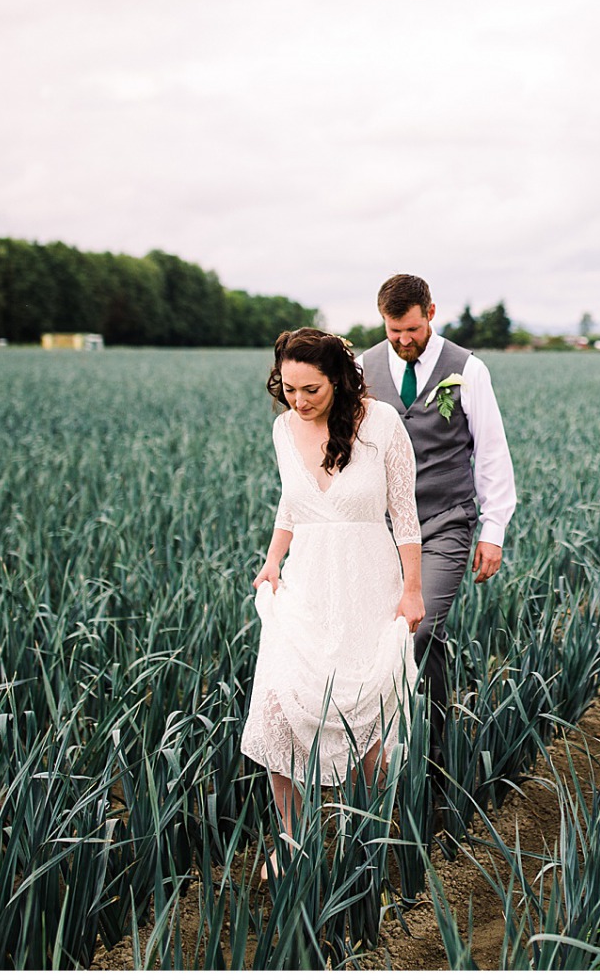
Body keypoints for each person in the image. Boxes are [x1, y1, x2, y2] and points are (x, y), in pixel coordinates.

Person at [241, 327, 426, 875]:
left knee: (366, 708)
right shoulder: (282, 428)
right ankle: (293, 839)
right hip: (307, 583)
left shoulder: (382, 424)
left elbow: (406, 515)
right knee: (280, 704)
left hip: (369, 580)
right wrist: (273, 560)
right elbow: (289, 504)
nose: (298, 401)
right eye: (288, 388)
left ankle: (362, 841)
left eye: (311, 390)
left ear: (339, 381)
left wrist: (411, 590)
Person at [356, 274, 517, 802]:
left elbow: (490, 452)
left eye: (411, 328)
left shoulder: (467, 369)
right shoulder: (363, 367)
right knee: (418, 639)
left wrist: (492, 531)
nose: (402, 340)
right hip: (382, 529)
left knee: (414, 629)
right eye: (392, 329)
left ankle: (406, 751)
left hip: (446, 520)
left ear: (431, 312)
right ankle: (439, 746)